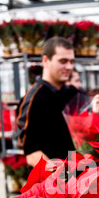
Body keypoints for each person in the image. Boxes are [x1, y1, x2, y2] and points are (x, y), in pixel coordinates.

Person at [16, 37, 78, 167]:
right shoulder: (34, 99)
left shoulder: (72, 93)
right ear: (46, 61)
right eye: (63, 61)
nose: (69, 67)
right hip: (55, 180)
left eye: (72, 61)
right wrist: (60, 176)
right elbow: (31, 153)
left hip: (81, 174)